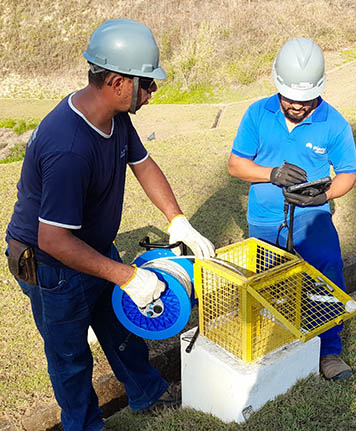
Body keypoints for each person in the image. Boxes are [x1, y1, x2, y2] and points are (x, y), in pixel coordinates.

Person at [4, 19, 215, 431]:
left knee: (121, 327)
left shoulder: (114, 115)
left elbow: (142, 163)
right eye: (147, 84)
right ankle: (83, 425)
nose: (153, 93)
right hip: (51, 265)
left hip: (93, 247)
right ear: (117, 82)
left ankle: (147, 391)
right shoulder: (69, 146)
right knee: (70, 358)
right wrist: (128, 276)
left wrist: (178, 220)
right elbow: (54, 239)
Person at [228, 37, 356, 381]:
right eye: (290, 98)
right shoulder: (258, 114)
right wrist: (270, 174)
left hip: (311, 218)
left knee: (325, 274)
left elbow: (348, 172)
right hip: (265, 220)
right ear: (276, 85)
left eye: (305, 100)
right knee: (268, 284)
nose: (297, 106)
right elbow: (235, 165)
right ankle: (276, 346)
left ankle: (329, 351)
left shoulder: (334, 123)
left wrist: (324, 196)